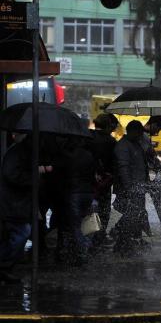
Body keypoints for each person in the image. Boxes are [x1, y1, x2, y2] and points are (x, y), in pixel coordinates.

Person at [54, 136, 96, 265]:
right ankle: (84, 247)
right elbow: (92, 174)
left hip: (74, 193)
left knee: (75, 224)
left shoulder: (66, 156)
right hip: (87, 192)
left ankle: (82, 250)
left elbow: (61, 176)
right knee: (85, 222)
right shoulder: (89, 155)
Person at [112, 120, 148, 255]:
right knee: (129, 217)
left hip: (138, 188)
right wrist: (128, 188)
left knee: (134, 217)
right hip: (129, 189)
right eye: (139, 133)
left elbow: (140, 165)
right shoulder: (123, 146)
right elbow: (123, 168)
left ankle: (124, 244)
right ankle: (122, 245)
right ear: (132, 131)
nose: (140, 136)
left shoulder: (135, 144)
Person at [0, 136, 32, 283]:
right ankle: (4, 265)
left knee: (17, 233)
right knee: (22, 232)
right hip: (12, 203)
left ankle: (6, 265)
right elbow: (11, 174)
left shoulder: (20, 152)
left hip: (17, 203)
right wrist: (32, 178)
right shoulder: (17, 153)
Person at [88, 113, 118, 253]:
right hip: (104, 182)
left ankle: (87, 239)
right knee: (104, 212)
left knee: (89, 211)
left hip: (88, 181)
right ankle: (98, 240)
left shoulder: (87, 137)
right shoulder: (110, 141)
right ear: (107, 126)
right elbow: (114, 163)